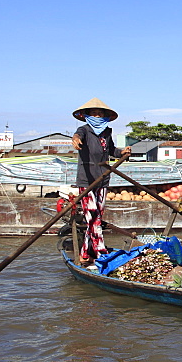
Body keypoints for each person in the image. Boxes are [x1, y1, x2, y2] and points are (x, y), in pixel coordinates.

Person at [70, 98, 130, 266]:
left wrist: (122, 152)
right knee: (93, 217)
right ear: (87, 115)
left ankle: (85, 254)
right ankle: (101, 254)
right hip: (87, 180)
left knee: (96, 218)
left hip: (103, 178)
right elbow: (77, 136)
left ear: (105, 116)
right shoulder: (84, 130)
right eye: (94, 113)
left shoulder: (107, 133)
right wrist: (75, 139)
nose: (97, 116)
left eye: (100, 113)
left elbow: (112, 151)